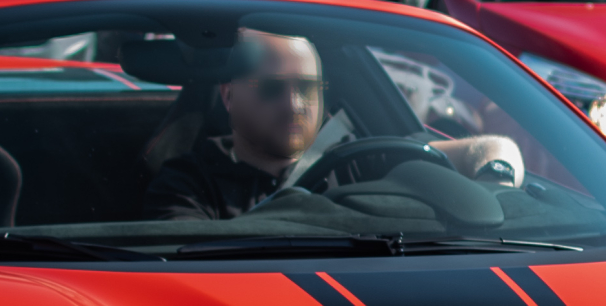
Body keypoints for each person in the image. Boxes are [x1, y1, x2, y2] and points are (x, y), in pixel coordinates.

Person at [144, 31, 522, 221]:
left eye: (307, 89)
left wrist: (497, 187)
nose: (294, 104)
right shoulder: (187, 184)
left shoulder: (360, 159)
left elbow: (493, 150)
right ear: (228, 97)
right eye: (273, 88)